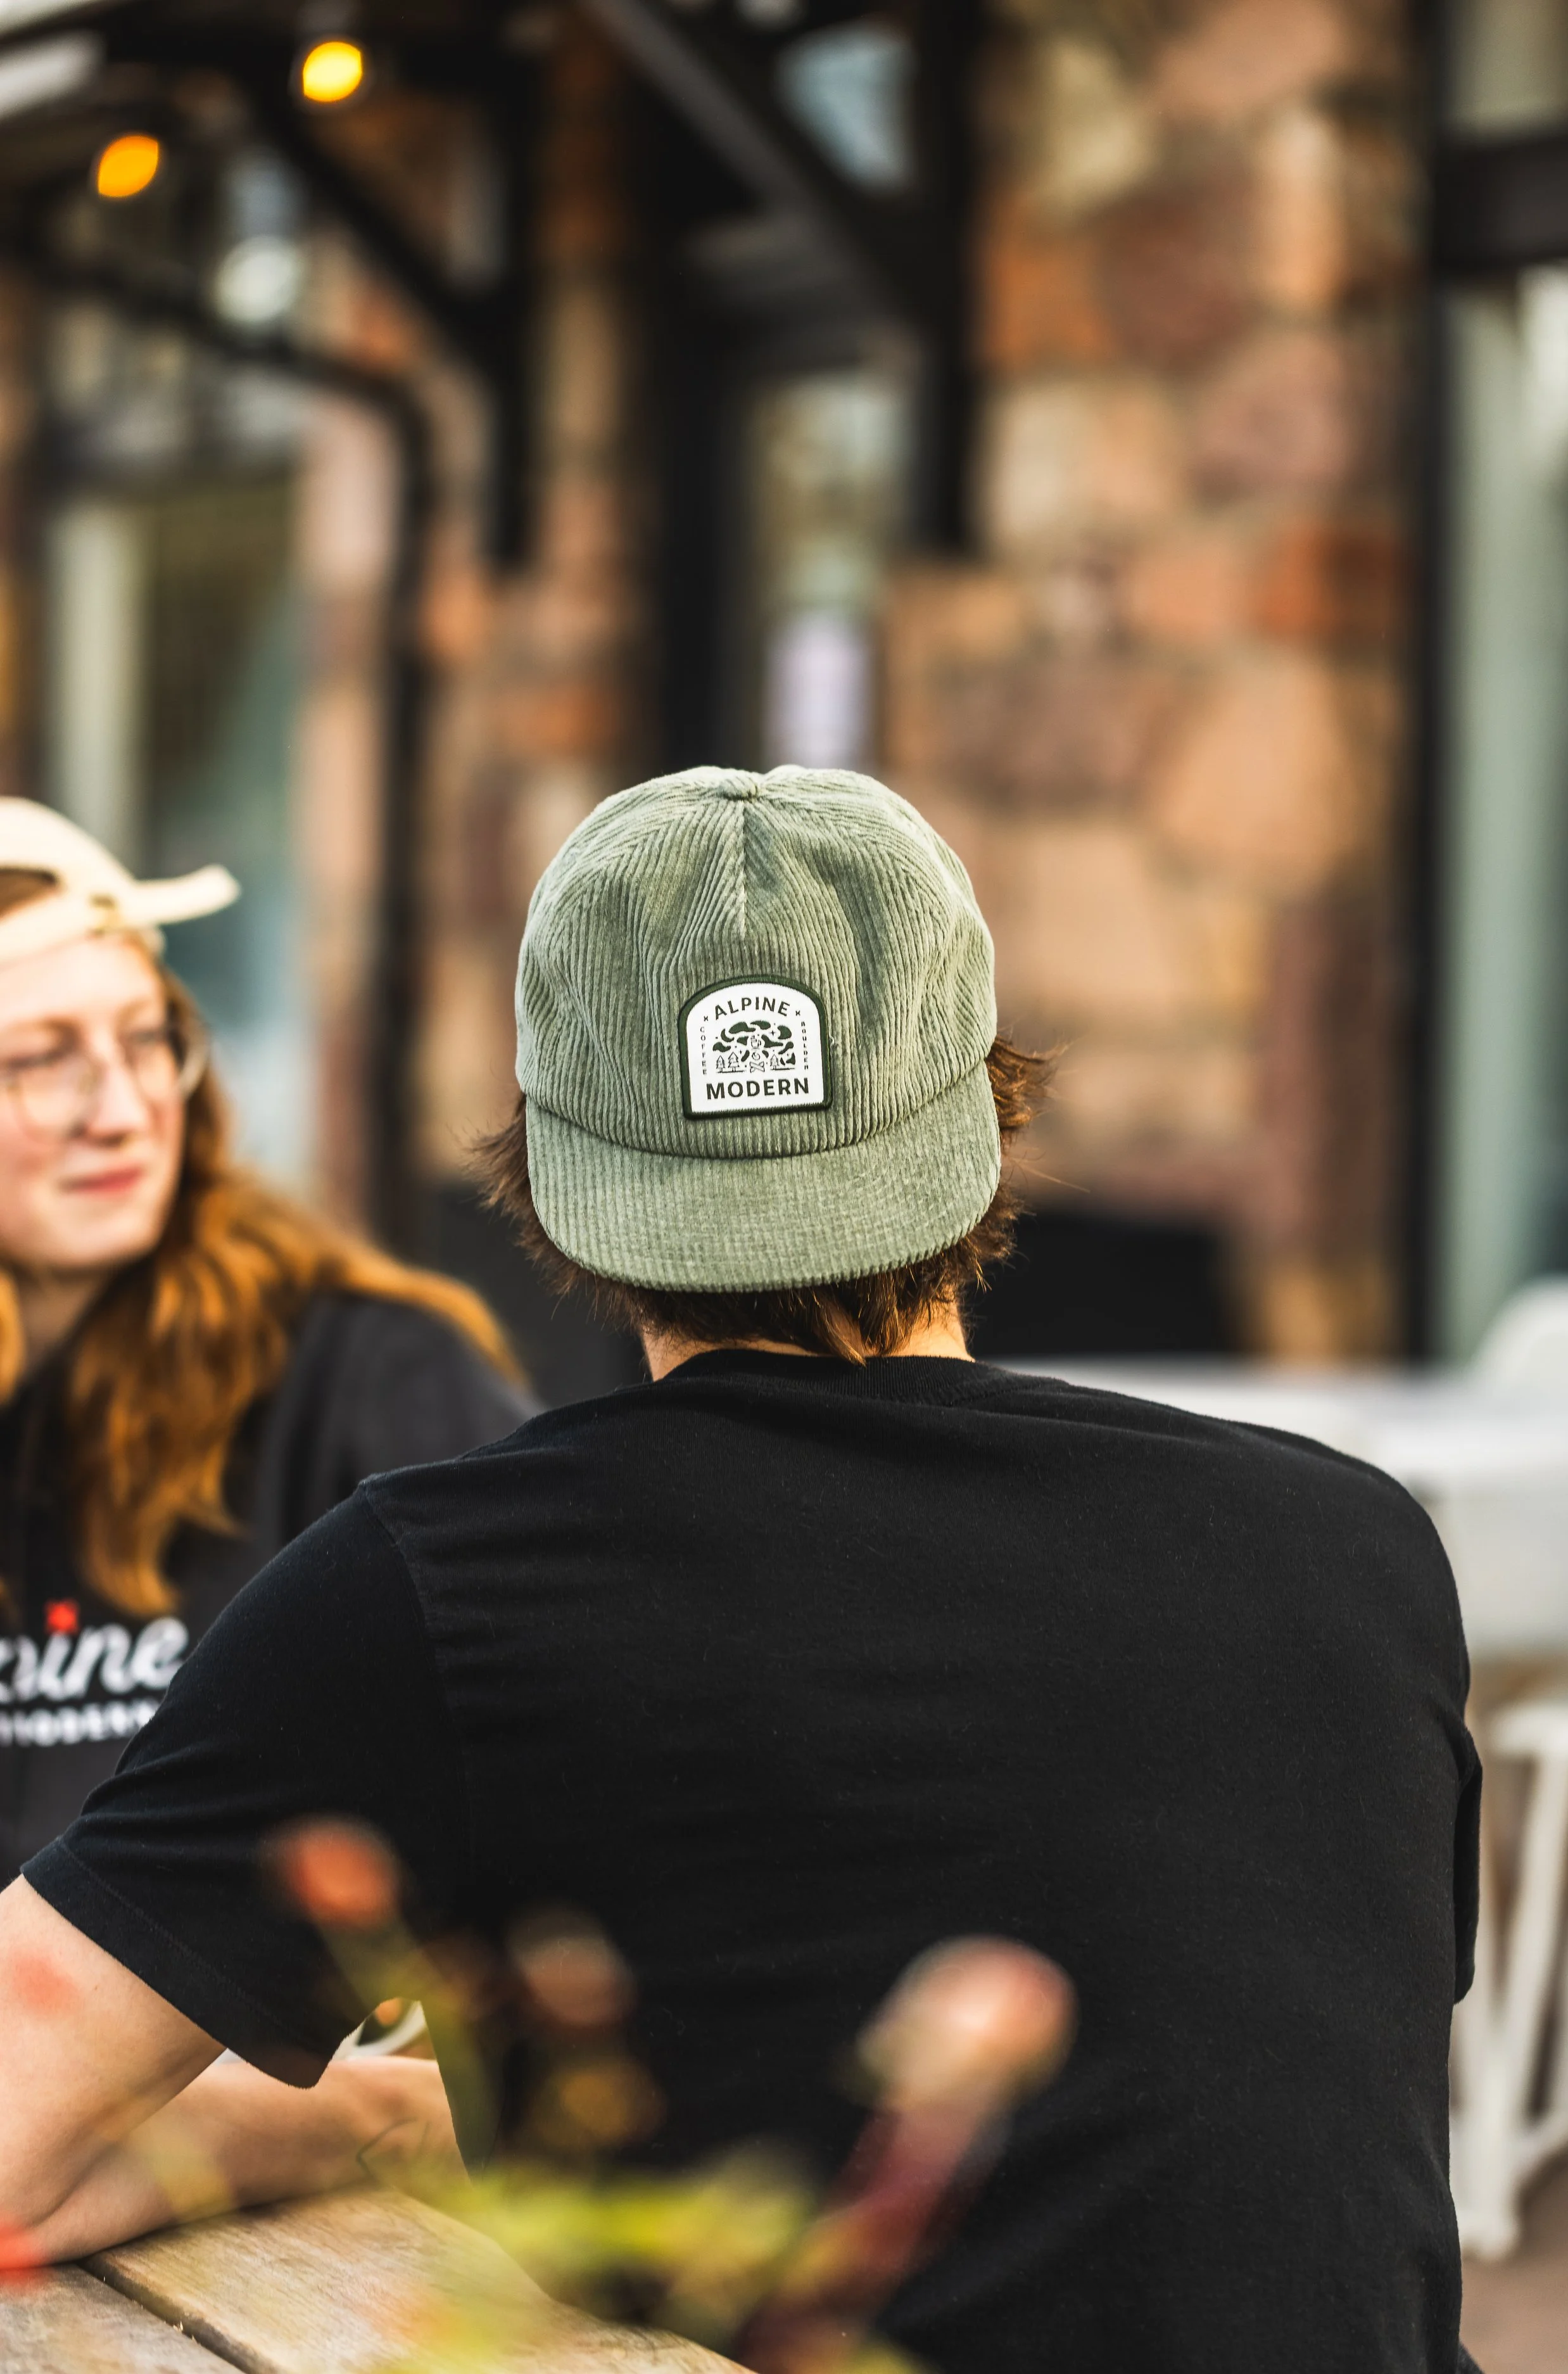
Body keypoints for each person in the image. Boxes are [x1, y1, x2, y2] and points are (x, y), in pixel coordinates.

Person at [0, 768, 1480, 2373]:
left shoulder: (429, 1591)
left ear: (547, 1167)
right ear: (986, 1114)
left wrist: (356, 2119)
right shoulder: (1352, 1544)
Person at [0, 799, 531, 1889]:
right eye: (41, 1059)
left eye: (147, 1039)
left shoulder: (369, 1376)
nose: (124, 1108)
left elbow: (545, 1757)